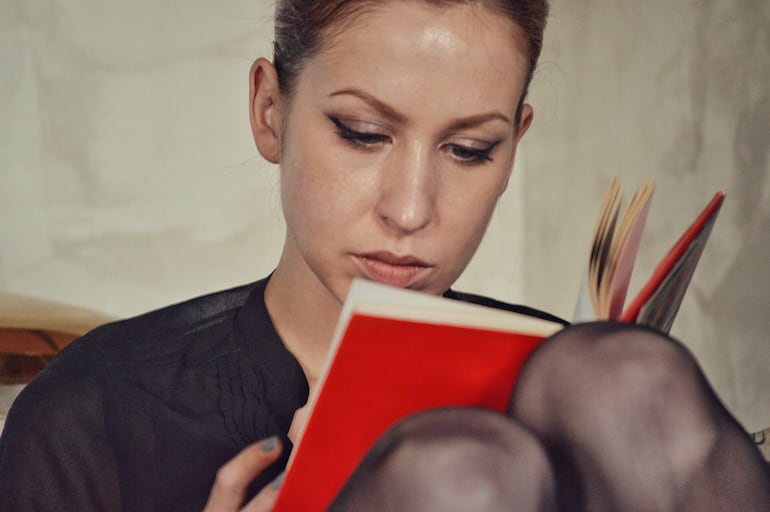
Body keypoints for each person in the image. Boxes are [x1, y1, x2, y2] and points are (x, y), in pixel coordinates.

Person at [0, 1, 767, 511]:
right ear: (271, 112)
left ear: (516, 145)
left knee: (622, 378)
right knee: (462, 474)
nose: (410, 210)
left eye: (470, 150)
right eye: (363, 134)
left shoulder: (579, 387)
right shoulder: (92, 416)